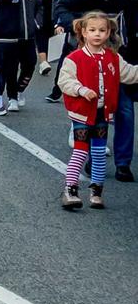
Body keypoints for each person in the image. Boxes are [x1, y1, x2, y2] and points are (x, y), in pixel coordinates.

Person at [65, 0, 138, 182]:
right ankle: (92, 157)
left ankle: (122, 163)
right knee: (96, 105)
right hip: (96, 43)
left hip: (126, 43)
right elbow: (72, 3)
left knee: (125, 107)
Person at [57, 12, 138, 209]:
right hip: (82, 114)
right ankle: (70, 189)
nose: (97, 34)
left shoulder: (113, 58)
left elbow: (130, 74)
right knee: (80, 151)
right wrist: (81, 90)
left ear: (109, 32)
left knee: (99, 152)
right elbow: (64, 81)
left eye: (102, 30)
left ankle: (96, 191)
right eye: (92, 30)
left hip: (102, 113)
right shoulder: (74, 58)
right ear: (83, 32)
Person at [46, 0, 83, 103]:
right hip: (72, 26)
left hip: (88, 25)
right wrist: (59, 23)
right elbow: (58, 4)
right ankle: (57, 89)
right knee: (65, 59)